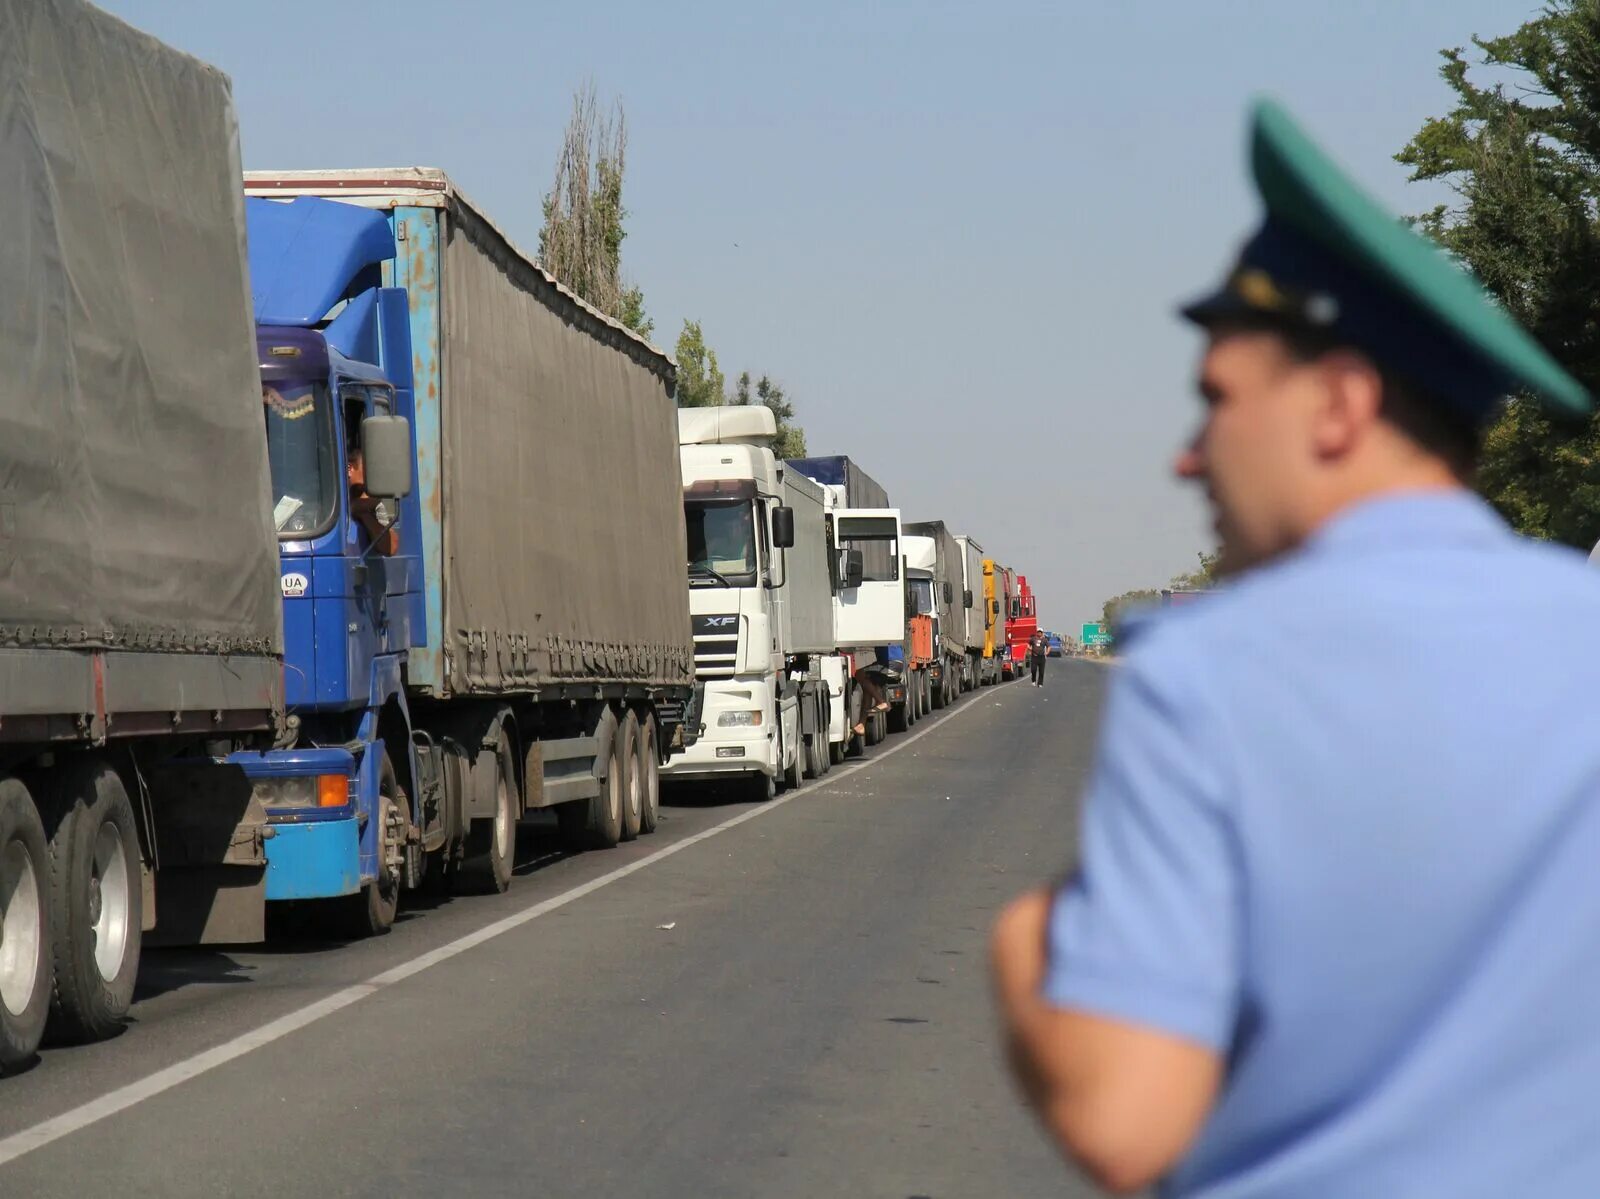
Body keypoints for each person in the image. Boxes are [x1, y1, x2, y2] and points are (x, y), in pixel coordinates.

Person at [992, 98, 1600, 1197]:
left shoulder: (1206, 674)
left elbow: (1124, 1119)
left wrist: (1025, 949)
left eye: (1217, 399)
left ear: (1338, 405)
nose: (1188, 458)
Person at [347, 440, 399, 557]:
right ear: (349, 468)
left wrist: (365, 510)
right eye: (367, 470)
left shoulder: (368, 503)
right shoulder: (334, 503)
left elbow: (390, 547)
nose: (372, 476)